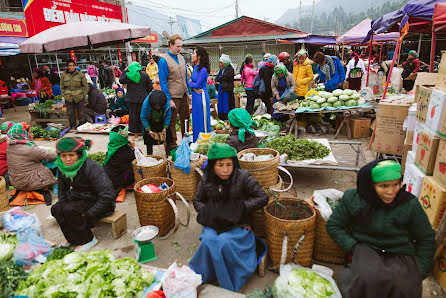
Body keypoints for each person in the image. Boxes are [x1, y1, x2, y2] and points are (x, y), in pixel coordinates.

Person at [326, 160, 435, 298]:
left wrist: (420, 270)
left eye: (396, 184)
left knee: (405, 286)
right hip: (366, 249)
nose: (391, 191)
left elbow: (426, 238)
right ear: (370, 185)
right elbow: (334, 225)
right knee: (365, 281)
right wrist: (354, 247)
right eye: (383, 186)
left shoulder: (409, 204)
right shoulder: (354, 199)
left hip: (400, 253)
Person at [189, 143, 268, 291]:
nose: (225, 170)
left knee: (225, 242)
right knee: (208, 240)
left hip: (239, 225)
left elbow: (263, 197)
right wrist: (210, 211)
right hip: (214, 223)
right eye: (220, 165)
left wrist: (241, 207)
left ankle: (229, 281)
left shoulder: (243, 177)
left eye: (229, 165)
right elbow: (197, 201)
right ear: (212, 165)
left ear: (234, 164)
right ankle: (206, 274)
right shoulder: (206, 180)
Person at [51, 137, 116, 251]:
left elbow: (108, 195)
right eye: (63, 156)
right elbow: (62, 189)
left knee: (70, 210)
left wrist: (89, 214)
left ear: (79, 155)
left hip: (99, 201)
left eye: (71, 155)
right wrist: (63, 205)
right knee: (56, 209)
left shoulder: (91, 167)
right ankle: (71, 238)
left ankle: (88, 240)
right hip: (79, 197)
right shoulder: (62, 168)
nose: (67, 159)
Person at [6, 123, 56, 203]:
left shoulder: (9, 146)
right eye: (30, 132)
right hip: (29, 183)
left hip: (16, 182)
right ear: (24, 134)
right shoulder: (30, 149)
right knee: (55, 162)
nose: (32, 134)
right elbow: (51, 156)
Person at [158, 34, 190, 150]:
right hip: (173, 96)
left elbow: (185, 77)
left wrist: (188, 93)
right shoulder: (163, 60)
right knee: (172, 122)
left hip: (184, 95)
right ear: (171, 45)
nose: (179, 48)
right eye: (177, 46)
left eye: (181, 46)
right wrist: (169, 99)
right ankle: (173, 145)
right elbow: (163, 82)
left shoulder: (181, 58)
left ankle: (186, 142)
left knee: (186, 120)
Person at [119, 61, 153, 139]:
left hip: (132, 100)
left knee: (133, 117)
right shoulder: (145, 75)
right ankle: (144, 133)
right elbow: (150, 87)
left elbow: (121, 80)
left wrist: (125, 70)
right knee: (143, 116)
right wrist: (146, 94)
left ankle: (136, 135)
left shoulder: (130, 76)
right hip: (143, 100)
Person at [189, 46, 211, 142]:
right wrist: (192, 85)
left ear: (199, 56)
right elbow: (192, 83)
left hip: (201, 97)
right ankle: (196, 141)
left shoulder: (203, 70)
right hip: (195, 96)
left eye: (194, 53)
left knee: (202, 120)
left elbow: (197, 84)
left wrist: (191, 84)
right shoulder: (195, 68)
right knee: (196, 119)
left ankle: (204, 142)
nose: (192, 55)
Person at [104, 125, 135, 192]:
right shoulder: (123, 149)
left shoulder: (113, 145)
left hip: (108, 176)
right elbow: (136, 157)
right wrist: (133, 147)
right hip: (117, 180)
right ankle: (125, 184)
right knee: (133, 168)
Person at [140, 90, 172, 156]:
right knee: (148, 137)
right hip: (150, 121)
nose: (158, 108)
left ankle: (168, 153)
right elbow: (143, 117)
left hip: (162, 120)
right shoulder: (146, 104)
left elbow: (168, 115)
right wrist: (149, 130)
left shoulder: (166, 103)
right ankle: (149, 154)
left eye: (159, 107)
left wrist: (165, 128)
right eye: (156, 107)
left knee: (168, 135)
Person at [60, 59, 89, 129]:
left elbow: (86, 87)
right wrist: (65, 96)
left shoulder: (81, 75)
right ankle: (73, 126)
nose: (72, 67)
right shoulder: (63, 75)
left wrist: (82, 95)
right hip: (68, 97)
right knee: (71, 114)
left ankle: (82, 126)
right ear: (67, 66)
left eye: (73, 65)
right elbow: (62, 87)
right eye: (70, 66)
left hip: (79, 97)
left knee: (81, 113)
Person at [215, 54, 235, 120]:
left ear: (225, 63)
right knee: (221, 103)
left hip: (227, 90)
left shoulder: (230, 69)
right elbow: (218, 77)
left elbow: (224, 77)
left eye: (221, 62)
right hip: (222, 89)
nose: (220, 64)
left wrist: (219, 79)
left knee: (227, 104)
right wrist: (217, 79)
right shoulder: (222, 69)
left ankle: (227, 117)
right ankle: (221, 116)